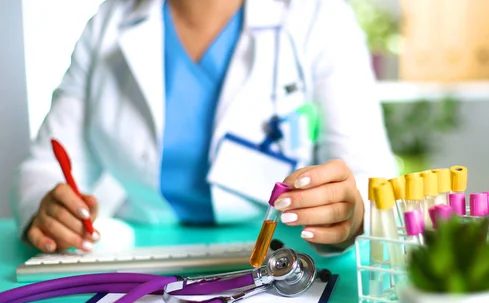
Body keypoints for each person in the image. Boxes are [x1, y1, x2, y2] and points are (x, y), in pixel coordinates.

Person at [11, 0, 398, 256]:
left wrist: (351, 210)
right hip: (138, 256)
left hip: (281, 252)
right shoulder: (109, 22)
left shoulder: (318, 16)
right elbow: (44, 168)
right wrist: (47, 212)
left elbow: (368, 176)